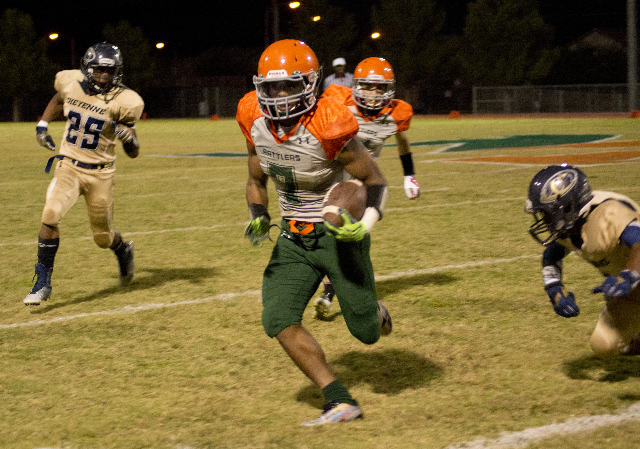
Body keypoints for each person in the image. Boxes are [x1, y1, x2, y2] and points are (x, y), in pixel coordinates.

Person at [236, 39, 392, 426]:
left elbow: (374, 181)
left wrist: (365, 225)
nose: (281, 95)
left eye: (290, 85)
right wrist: (258, 212)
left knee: (366, 333)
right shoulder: (252, 117)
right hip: (293, 237)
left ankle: (372, 312)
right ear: (261, 87)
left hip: (336, 232)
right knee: (278, 317)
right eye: (273, 87)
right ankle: (339, 401)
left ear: (310, 83)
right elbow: (255, 177)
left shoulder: (329, 121)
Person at [24, 42, 144, 306]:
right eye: (99, 70)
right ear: (88, 68)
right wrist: (42, 126)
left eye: (110, 71)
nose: (104, 76)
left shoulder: (126, 101)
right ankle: (42, 281)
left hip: (100, 174)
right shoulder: (71, 82)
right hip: (68, 165)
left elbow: (133, 151)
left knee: (102, 238)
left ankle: (122, 249)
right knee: (50, 214)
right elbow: (58, 99)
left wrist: (129, 140)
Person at [314, 57, 421, 319]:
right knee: (321, 231)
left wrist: (409, 175)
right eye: (368, 87)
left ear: (390, 90)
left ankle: (331, 291)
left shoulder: (396, 113)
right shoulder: (338, 99)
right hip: (329, 170)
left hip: (362, 178)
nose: (373, 94)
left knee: (340, 230)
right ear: (355, 86)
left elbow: (402, 140)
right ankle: (335, 286)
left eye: (380, 88)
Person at [525, 164, 640, 359]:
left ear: (568, 207)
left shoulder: (608, 214)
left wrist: (628, 276)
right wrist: (554, 288)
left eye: (547, 214)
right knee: (604, 345)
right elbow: (551, 255)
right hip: (631, 286)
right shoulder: (571, 225)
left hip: (632, 276)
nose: (544, 221)